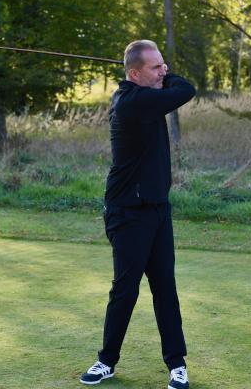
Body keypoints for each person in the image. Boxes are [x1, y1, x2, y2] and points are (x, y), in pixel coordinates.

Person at [80, 40, 196, 389]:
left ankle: (176, 364)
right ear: (134, 74)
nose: (164, 71)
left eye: (164, 64)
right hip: (127, 211)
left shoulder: (146, 94)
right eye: (156, 67)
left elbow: (176, 87)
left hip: (157, 208)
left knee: (165, 288)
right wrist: (167, 78)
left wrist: (159, 75)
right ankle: (106, 361)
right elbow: (186, 89)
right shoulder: (132, 102)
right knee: (126, 290)